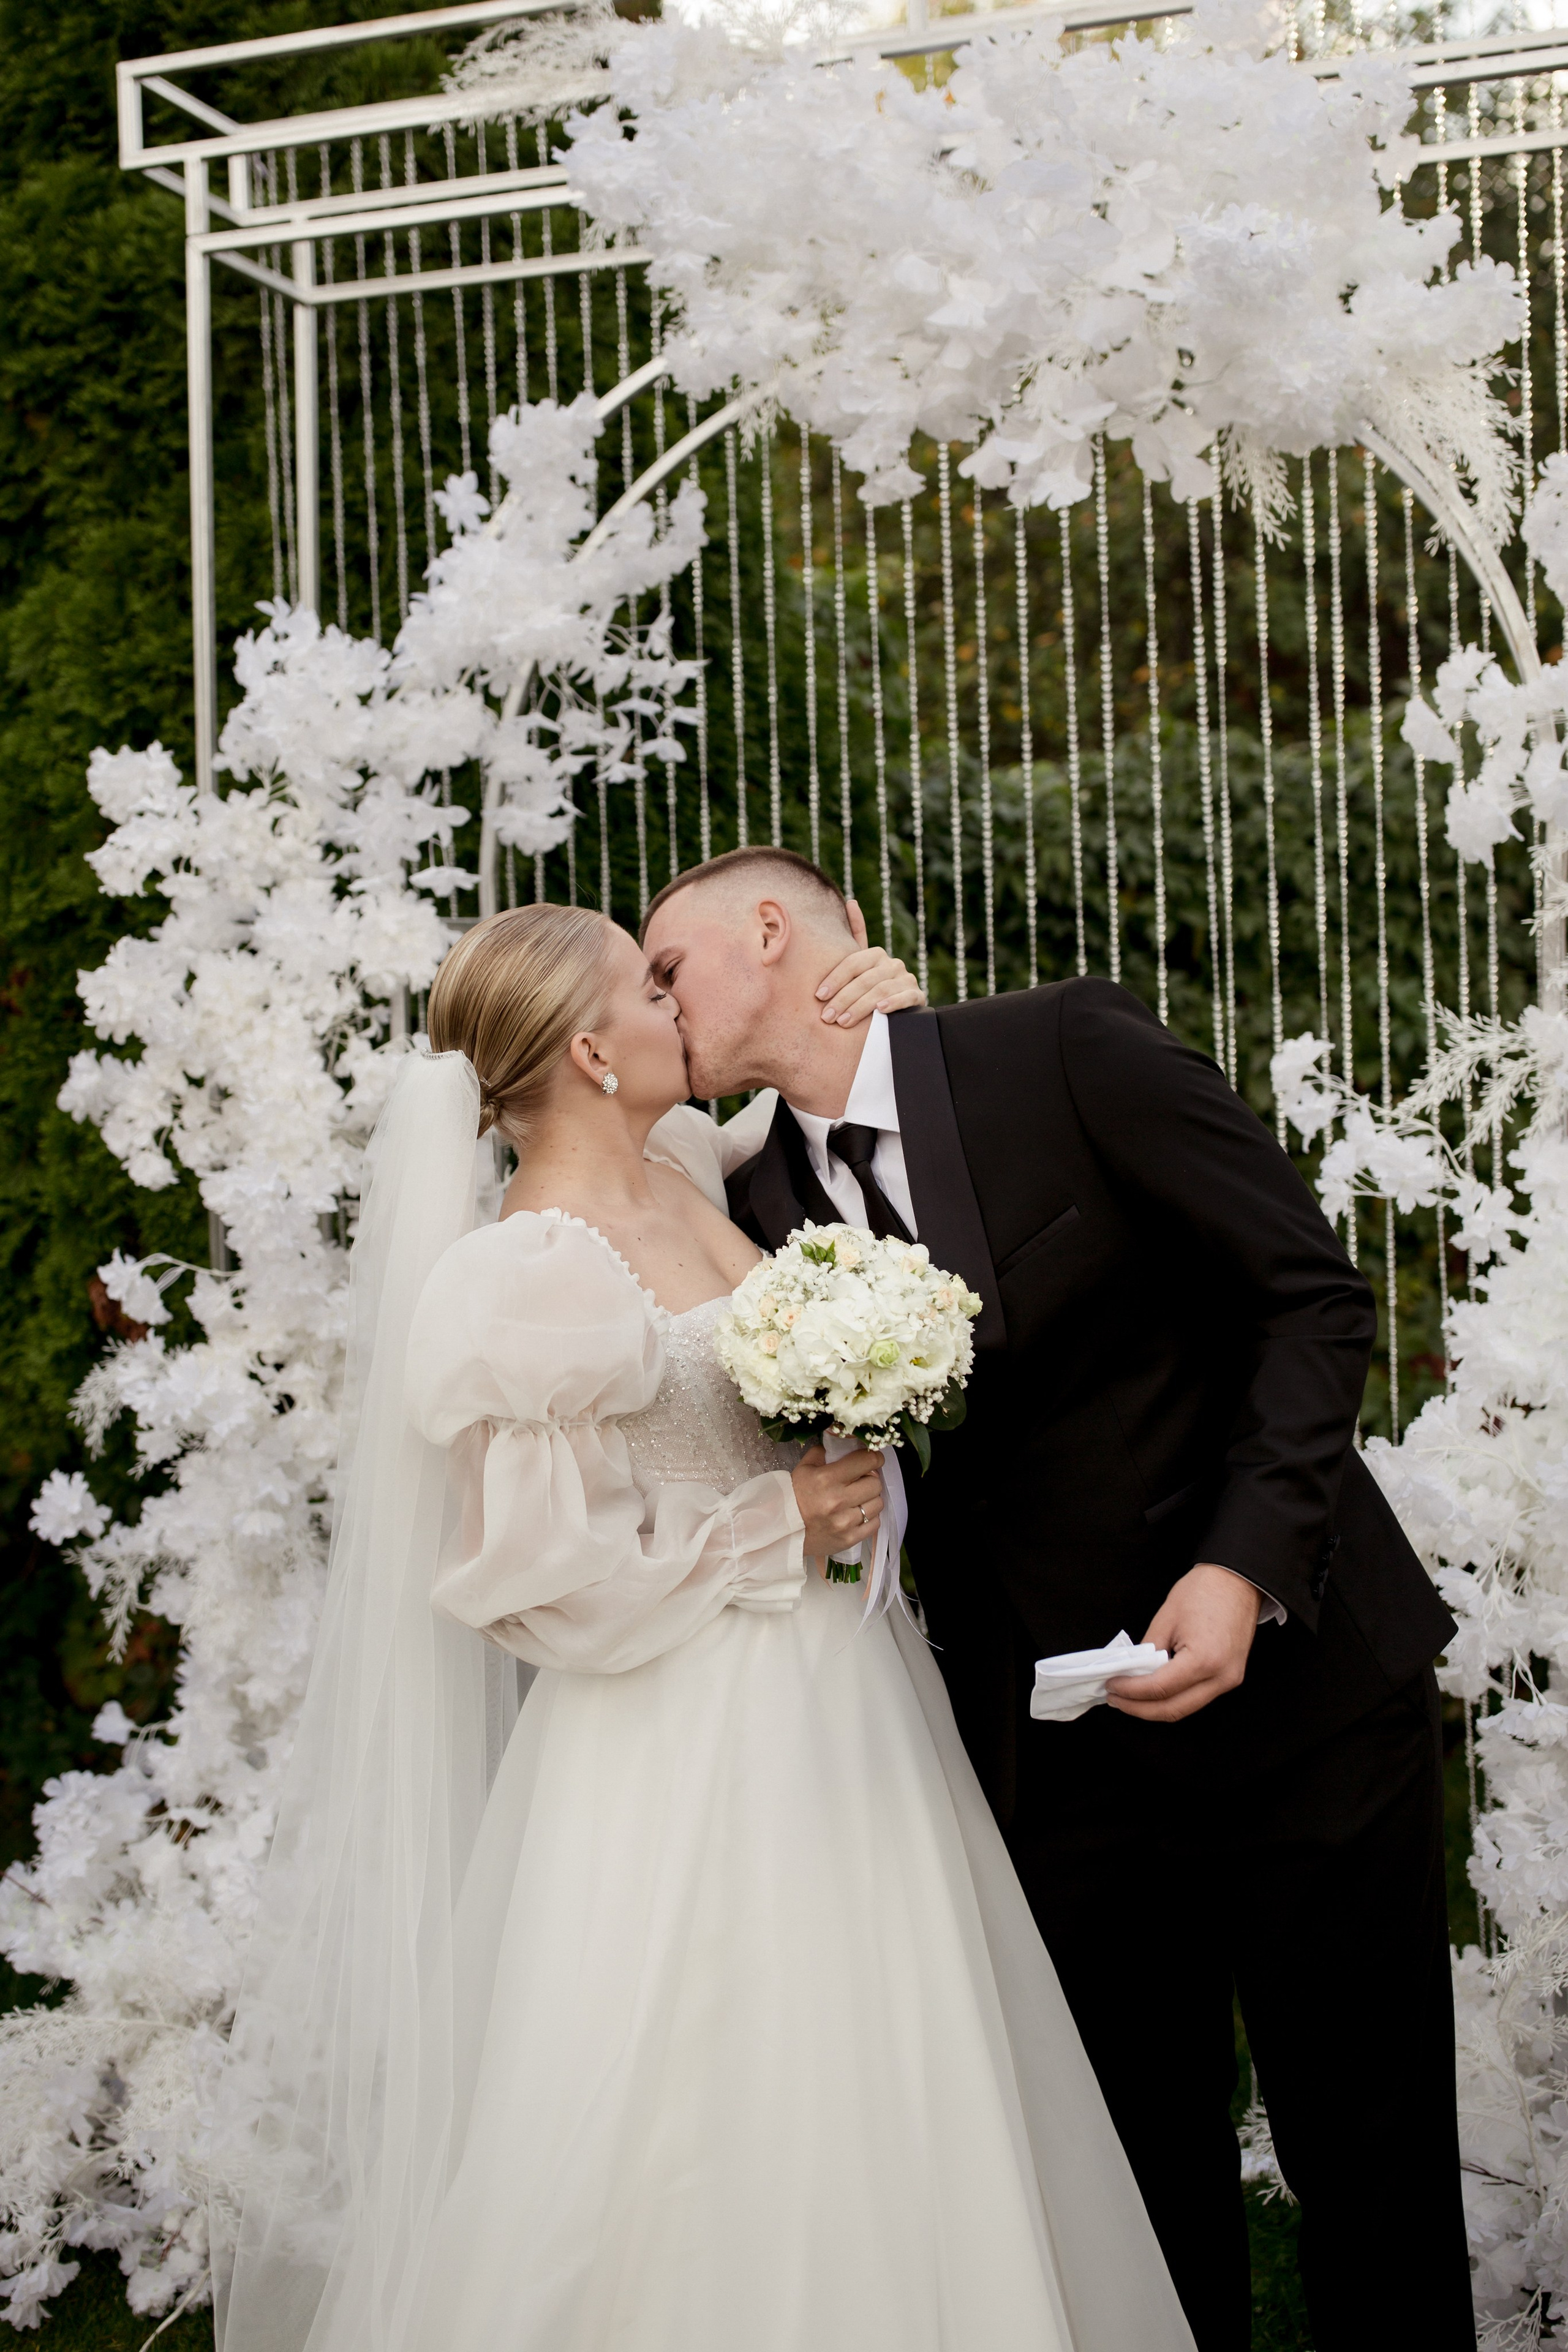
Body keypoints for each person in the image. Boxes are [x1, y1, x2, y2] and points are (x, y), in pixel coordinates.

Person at [213, 903, 1197, 2352]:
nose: (682, 1004)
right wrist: (775, 1530)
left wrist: (879, 1016)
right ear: (595, 1052)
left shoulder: (685, 1164)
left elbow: (847, 1148)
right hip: (678, 1732)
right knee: (702, 2079)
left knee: (881, 2056)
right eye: (651, 987)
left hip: (837, 1692)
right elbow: (539, 1582)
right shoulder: (523, 1280)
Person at [641, 844, 1475, 2352]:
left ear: (768, 929)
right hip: (1050, 1772)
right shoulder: (741, 1208)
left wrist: (1239, 1573)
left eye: (664, 967)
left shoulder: (1061, 1048)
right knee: (1132, 2197)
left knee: (1368, 2156)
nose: (650, 1001)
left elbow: (1306, 1299)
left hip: (1300, 1702)